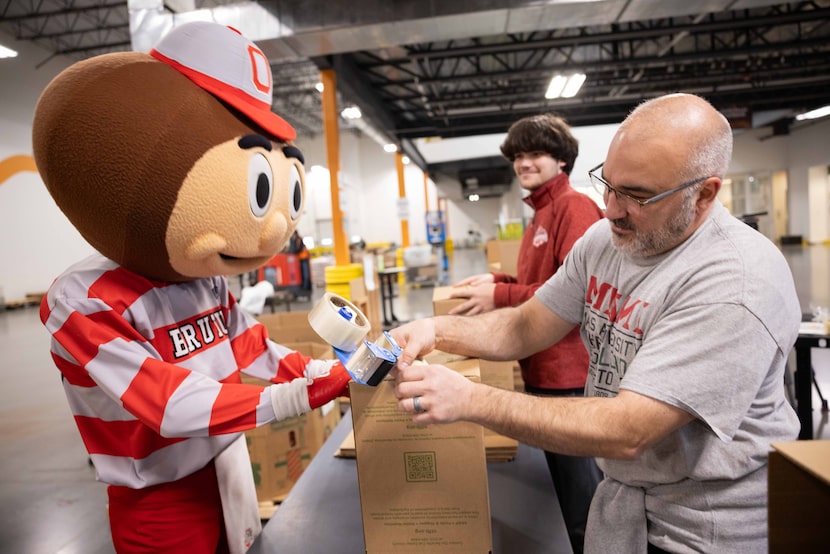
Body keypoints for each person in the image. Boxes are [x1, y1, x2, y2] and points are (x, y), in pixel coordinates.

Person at [390, 93, 801, 553]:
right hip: (626, 510)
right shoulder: (605, 241)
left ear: (703, 193)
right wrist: (435, 330)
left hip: (703, 529)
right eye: (608, 184)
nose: (610, 208)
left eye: (638, 196)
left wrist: (470, 399)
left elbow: (629, 429)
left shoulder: (735, 282)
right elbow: (526, 326)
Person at [33, 22, 351, 553]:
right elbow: (168, 404)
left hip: (227, 467)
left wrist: (324, 369)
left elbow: (248, 344)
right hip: (158, 499)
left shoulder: (202, 279)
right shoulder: (83, 301)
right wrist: (295, 396)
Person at [449, 113, 603, 553]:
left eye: (536, 153)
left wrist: (502, 297)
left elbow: (576, 295)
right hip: (542, 368)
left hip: (568, 374)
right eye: (518, 156)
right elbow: (540, 282)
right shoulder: (539, 214)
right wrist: (498, 281)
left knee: (582, 501)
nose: (524, 163)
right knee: (566, 495)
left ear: (562, 161)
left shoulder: (573, 208)